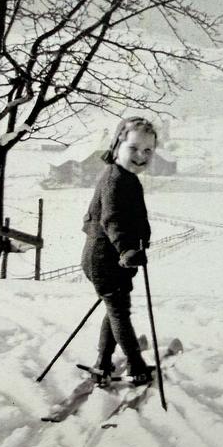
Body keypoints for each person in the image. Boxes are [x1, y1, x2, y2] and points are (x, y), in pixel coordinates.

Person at [80, 116, 157, 386]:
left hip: (118, 259)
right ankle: (136, 365)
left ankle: (102, 363)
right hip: (104, 259)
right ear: (116, 146)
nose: (141, 156)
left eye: (148, 150)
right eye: (134, 148)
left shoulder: (128, 177)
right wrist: (127, 249)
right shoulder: (114, 178)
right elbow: (112, 219)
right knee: (119, 312)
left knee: (116, 310)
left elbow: (135, 217)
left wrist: (140, 242)